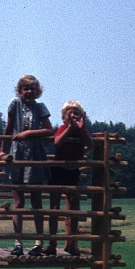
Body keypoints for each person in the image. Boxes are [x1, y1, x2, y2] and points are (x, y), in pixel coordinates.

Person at [0, 75, 53, 256]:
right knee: (19, 201)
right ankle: (18, 243)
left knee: (36, 200)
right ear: (20, 91)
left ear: (38, 91)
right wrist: (2, 150)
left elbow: (48, 130)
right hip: (17, 153)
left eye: (33, 89)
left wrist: (28, 133)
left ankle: (38, 243)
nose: (29, 92)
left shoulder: (40, 107)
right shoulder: (15, 104)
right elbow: (9, 126)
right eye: (25, 88)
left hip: (35, 154)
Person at [42, 100, 93, 257]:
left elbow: (90, 145)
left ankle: (71, 243)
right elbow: (57, 142)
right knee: (54, 208)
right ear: (64, 118)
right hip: (58, 170)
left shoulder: (82, 131)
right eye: (69, 113)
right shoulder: (63, 128)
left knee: (73, 208)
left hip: (72, 171)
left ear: (81, 117)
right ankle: (52, 242)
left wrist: (81, 128)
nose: (73, 115)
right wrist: (70, 128)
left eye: (76, 113)